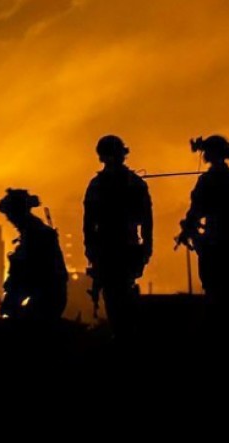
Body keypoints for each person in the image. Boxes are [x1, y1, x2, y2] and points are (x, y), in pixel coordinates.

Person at [83, 135, 153, 340]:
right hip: (113, 249)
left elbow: (146, 220)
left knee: (118, 298)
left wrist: (147, 247)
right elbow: (89, 223)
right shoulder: (132, 184)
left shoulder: (100, 185)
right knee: (117, 298)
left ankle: (125, 337)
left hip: (119, 249)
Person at [177, 135, 229, 336]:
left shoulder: (207, 181)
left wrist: (187, 230)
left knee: (214, 290)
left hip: (215, 243)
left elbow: (196, 210)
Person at [0, 189, 68, 322]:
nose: (9, 219)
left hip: (47, 298)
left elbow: (27, 274)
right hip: (48, 295)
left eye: (10, 215)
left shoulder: (35, 234)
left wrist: (11, 300)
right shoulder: (34, 230)